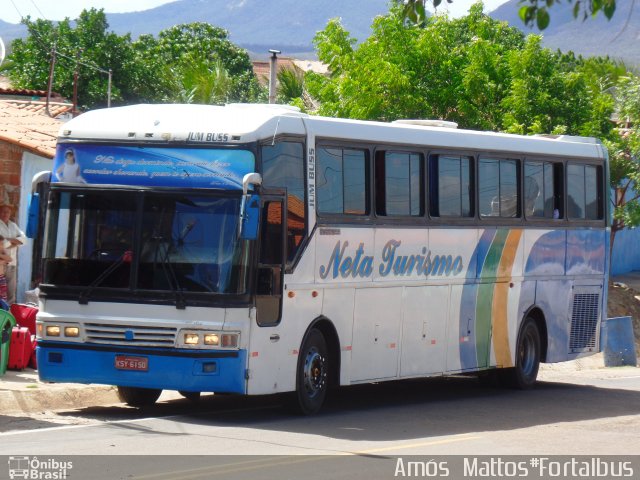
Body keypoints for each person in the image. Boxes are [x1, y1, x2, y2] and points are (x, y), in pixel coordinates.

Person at [0, 203, 25, 304]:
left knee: (11, 292)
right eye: (3, 211)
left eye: (7, 212)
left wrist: (8, 241)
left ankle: (8, 316)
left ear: (10, 213)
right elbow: (2, 244)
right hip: (1, 263)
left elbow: (23, 240)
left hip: (12, 263)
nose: (5, 214)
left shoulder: (13, 225)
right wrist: (15, 242)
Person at [0, 235, 11, 303]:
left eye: (2, 244)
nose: (2, 246)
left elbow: (9, 259)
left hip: (1, 278)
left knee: (3, 299)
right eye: (0, 244)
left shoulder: (2, 252)